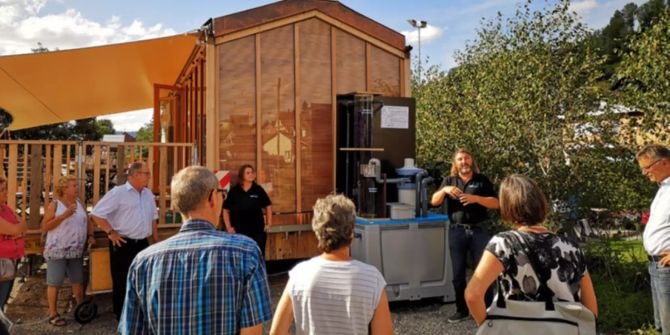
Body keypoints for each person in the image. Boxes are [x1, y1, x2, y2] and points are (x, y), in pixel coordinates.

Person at [119, 166, 272, 334]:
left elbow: (132, 330)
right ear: (213, 197)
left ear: (176, 205)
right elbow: (251, 331)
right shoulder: (246, 253)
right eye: (222, 194)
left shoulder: (143, 261)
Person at [464, 174, 598, 326]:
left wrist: (489, 328)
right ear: (540, 203)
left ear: (507, 206)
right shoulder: (571, 247)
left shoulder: (504, 244)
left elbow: (472, 295)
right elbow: (591, 311)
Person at [270, 194, 393, 335]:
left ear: (317, 232)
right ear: (352, 233)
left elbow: (276, 332)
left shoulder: (299, 274)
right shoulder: (372, 279)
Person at [430, 148, 499, 323]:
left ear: (472, 160)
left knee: (483, 273)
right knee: (458, 274)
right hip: (457, 231)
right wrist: (444, 190)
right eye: (460, 159)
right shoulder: (449, 181)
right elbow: (434, 201)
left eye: (466, 158)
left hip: (479, 231)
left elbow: (496, 203)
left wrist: (477, 199)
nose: (464, 162)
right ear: (456, 163)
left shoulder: (481, 181)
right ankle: (461, 310)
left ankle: (487, 310)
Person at [90, 161, 160, 320]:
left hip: (143, 243)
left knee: (145, 278)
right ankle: (121, 316)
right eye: (146, 173)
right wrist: (111, 232)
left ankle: (141, 312)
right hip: (122, 243)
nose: (149, 176)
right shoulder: (118, 193)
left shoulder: (148, 194)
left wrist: (156, 240)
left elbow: (153, 219)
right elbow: (96, 214)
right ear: (136, 175)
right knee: (122, 280)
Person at [41, 175, 95, 327]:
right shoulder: (55, 205)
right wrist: (64, 215)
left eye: (77, 185)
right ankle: (53, 313)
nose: (77, 188)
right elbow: (45, 227)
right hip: (57, 250)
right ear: (64, 189)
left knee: (77, 279)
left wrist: (90, 235)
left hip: (76, 250)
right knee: (55, 282)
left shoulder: (79, 204)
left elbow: (88, 221)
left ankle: (80, 308)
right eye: (74, 186)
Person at [637, 144, 670, 335]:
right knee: (660, 323)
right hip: (656, 265)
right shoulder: (663, 189)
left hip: (667, 266)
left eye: (647, 168)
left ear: (664, 162)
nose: (644, 173)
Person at [223, 164, 272, 257]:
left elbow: (268, 206)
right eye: (248, 173)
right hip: (239, 233)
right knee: (239, 257)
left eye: (252, 172)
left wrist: (269, 223)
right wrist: (229, 228)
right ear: (242, 175)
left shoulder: (258, 190)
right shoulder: (234, 191)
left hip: (257, 232)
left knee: (258, 257)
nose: (251, 175)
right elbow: (226, 210)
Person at [0, 175, 26, 311]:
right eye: (2, 190)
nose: (6, 192)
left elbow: (23, 226)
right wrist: (16, 230)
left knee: (3, 298)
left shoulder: (5, 208)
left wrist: (16, 230)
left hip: (9, 259)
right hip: (2, 261)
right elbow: (16, 227)